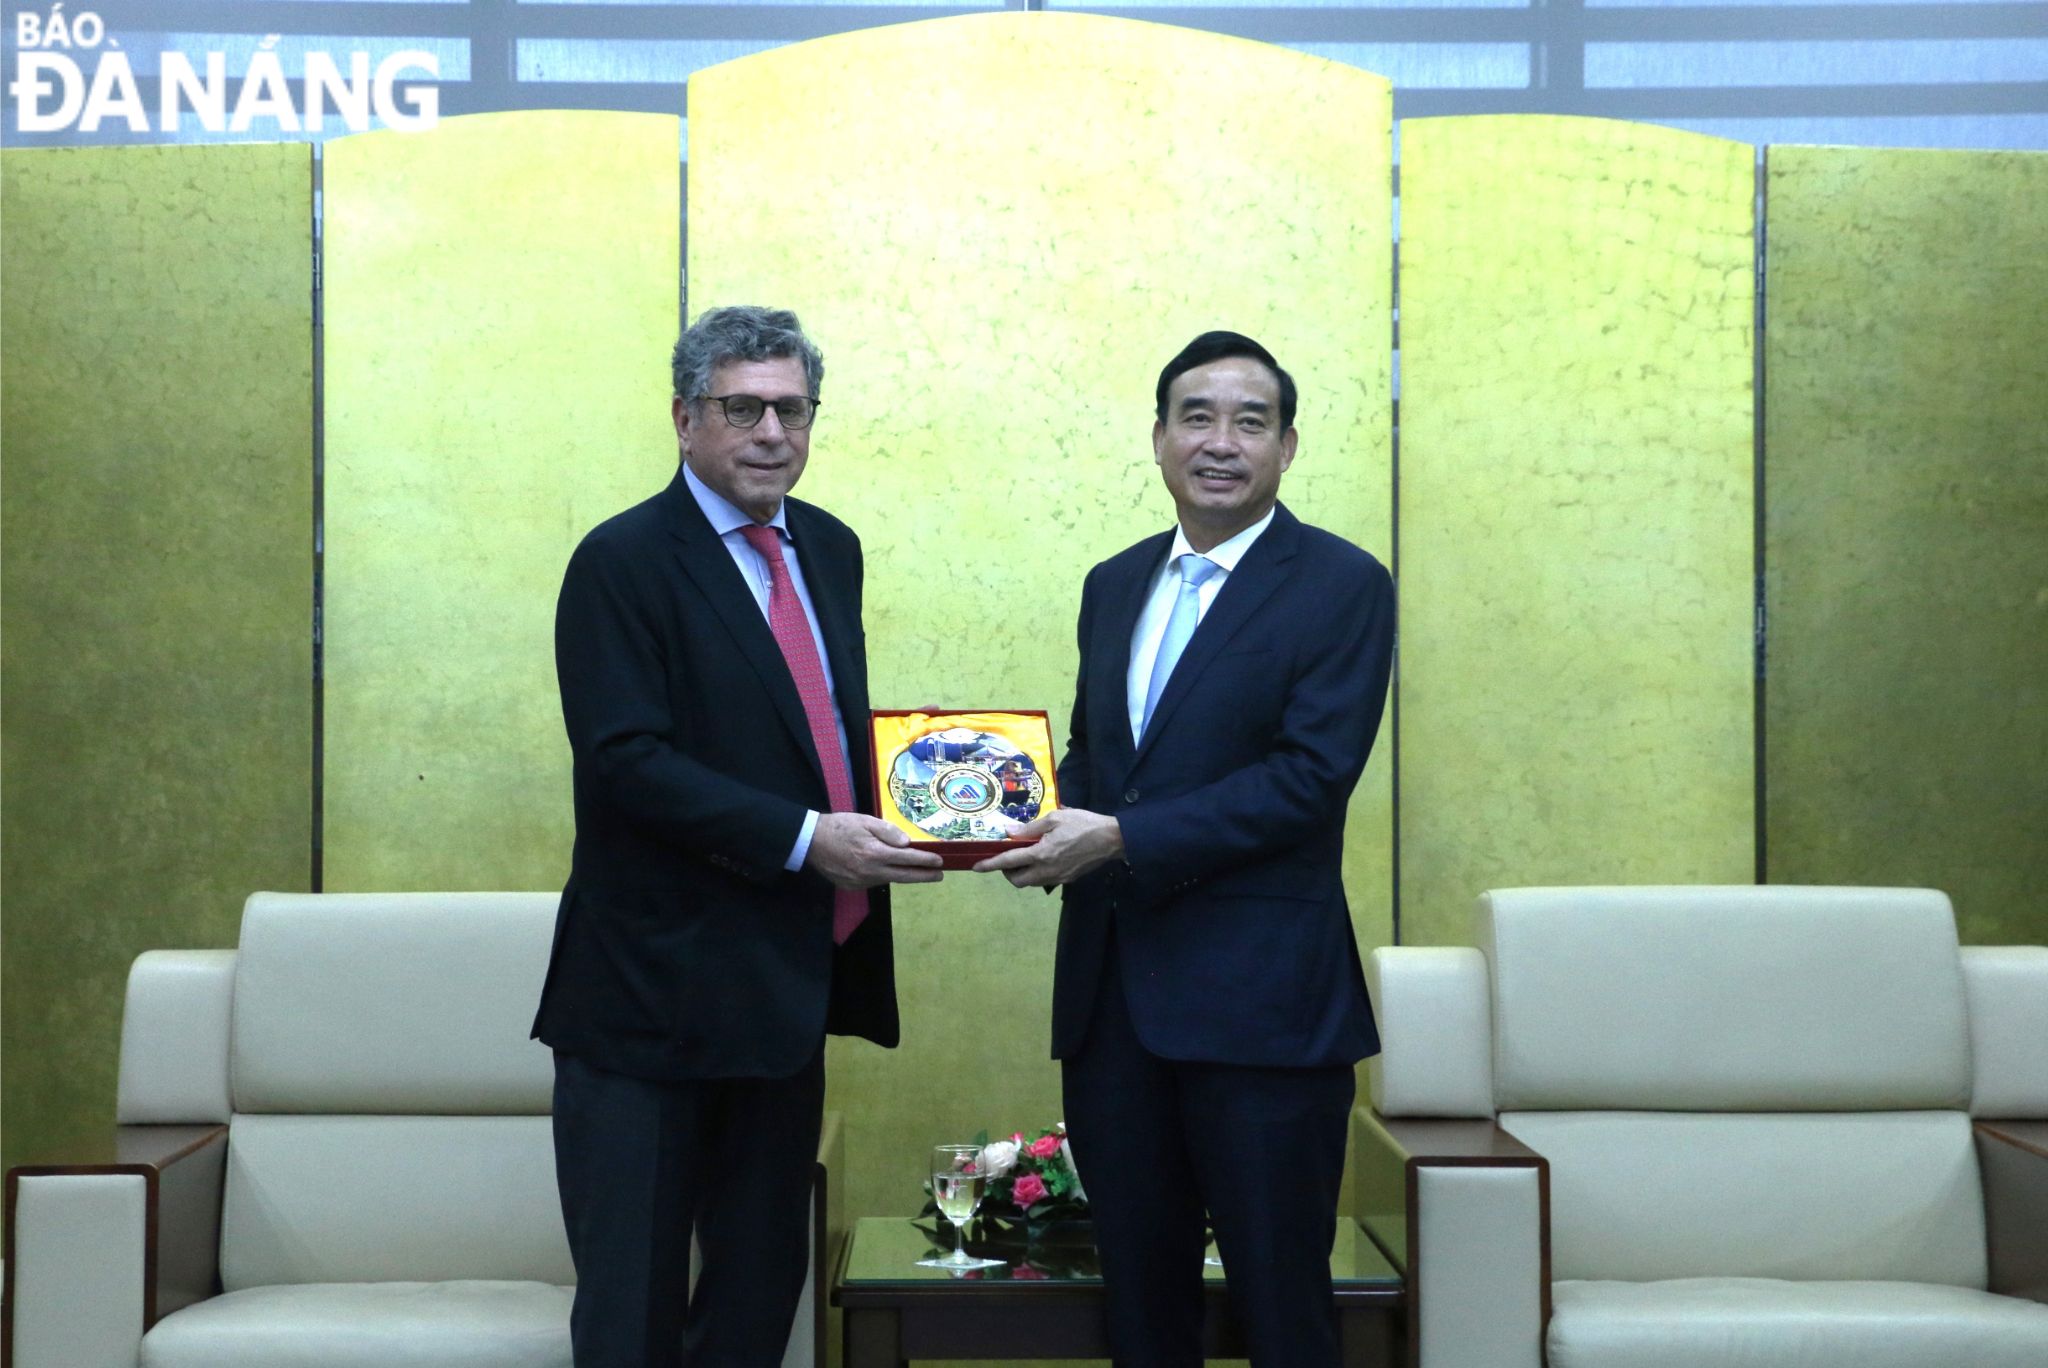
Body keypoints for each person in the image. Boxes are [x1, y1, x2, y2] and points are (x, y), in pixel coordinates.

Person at [531, 305, 944, 1367]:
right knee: (631, 1313)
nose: (771, 432)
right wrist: (811, 840)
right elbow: (626, 764)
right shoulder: (621, 560)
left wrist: (940, 804)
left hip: (781, 990)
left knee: (761, 1294)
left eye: (791, 409)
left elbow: (810, 732)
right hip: (647, 1002)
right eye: (742, 408)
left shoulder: (829, 548)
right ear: (683, 418)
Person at [978, 331, 1395, 1367]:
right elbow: (1098, 755)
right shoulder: (1113, 583)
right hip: (1113, 1004)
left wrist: (1116, 837)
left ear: (1287, 447)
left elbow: (1308, 778)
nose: (1220, 441)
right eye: (1195, 417)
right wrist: (1008, 815)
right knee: (1141, 1304)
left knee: (1280, 1304)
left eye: (1249, 421)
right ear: (1158, 438)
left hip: (1264, 1014)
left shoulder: (1342, 585)